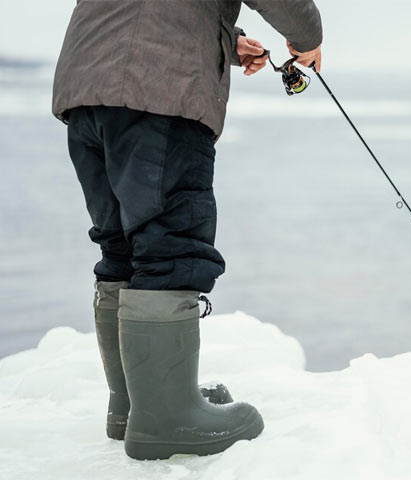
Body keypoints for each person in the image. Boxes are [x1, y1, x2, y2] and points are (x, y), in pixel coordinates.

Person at [52, 0, 323, 461]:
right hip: (159, 91)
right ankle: (165, 419)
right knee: (168, 246)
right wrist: (308, 37)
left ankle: (137, 404)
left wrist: (226, 39)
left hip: (87, 89)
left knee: (121, 245)